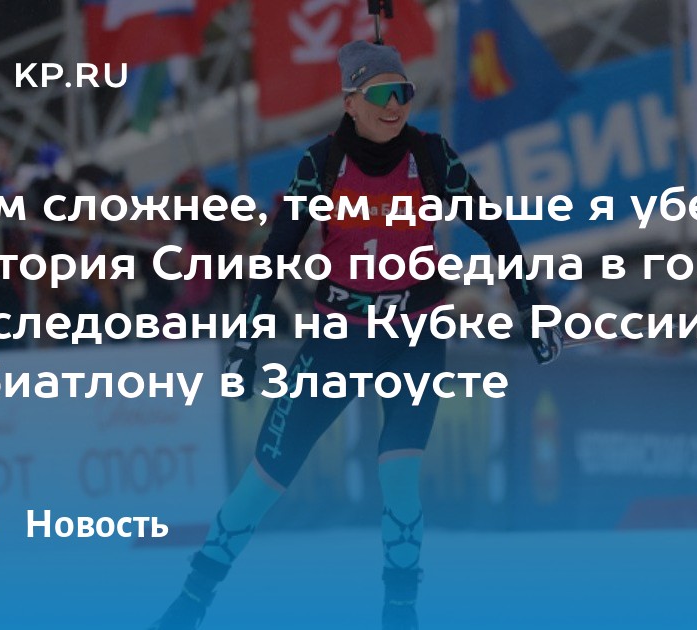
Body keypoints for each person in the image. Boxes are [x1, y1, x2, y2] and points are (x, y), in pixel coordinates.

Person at [149, 40, 562, 630]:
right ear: (350, 102)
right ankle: (190, 602)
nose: (396, 105)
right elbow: (275, 253)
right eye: (382, 94)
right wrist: (245, 341)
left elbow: (494, 228)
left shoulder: (430, 156)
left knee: (399, 479)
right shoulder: (321, 164)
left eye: (404, 93)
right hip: (338, 340)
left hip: (414, 337)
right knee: (262, 481)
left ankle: (400, 613)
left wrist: (531, 309)